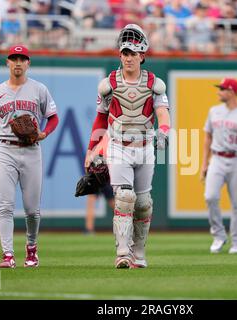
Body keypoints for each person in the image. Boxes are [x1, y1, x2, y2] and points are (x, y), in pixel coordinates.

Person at [85, 24, 171, 269]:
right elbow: (100, 119)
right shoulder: (108, 84)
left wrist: (164, 130)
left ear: (142, 55)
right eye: (125, 52)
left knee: (143, 203)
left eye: (133, 53)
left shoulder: (155, 84)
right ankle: (123, 252)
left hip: (145, 147)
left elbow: (163, 113)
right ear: (119, 55)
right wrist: (91, 149)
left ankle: (139, 253)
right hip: (118, 146)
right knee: (124, 197)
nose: (128, 57)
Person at [0, 45, 59, 268]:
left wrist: (44, 132)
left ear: (28, 63)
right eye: (14, 58)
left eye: (22, 58)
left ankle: (31, 248)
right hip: (5, 149)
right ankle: (7, 255)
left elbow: (54, 118)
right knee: (5, 206)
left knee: (32, 210)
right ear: (7, 62)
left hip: (31, 150)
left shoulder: (39, 89)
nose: (18, 62)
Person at [200, 78, 237, 254]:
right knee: (210, 196)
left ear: (232, 92)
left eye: (222, 88)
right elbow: (207, 138)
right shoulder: (214, 111)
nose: (218, 91)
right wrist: (205, 163)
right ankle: (219, 235)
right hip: (217, 159)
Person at [84, 134, 115, 235]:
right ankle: (89, 229)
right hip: (99, 174)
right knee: (92, 201)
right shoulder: (103, 137)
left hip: (103, 175)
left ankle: (128, 224)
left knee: (113, 203)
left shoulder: (105, 137)